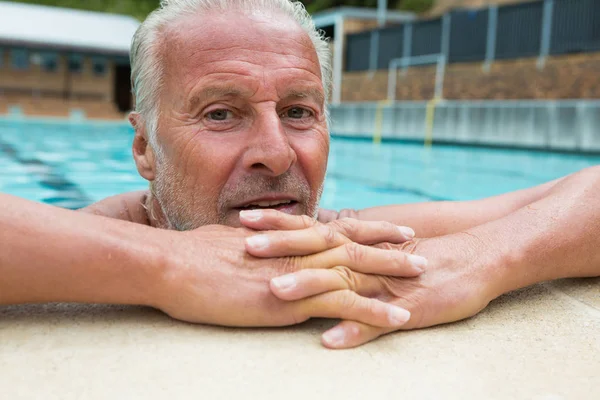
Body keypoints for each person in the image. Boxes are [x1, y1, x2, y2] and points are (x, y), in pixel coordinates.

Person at [1, 0, 599, 350]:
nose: (278, 153)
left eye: (298, 112)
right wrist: (168, 263)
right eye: (221, 113)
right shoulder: (81, 234)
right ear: (145, 149)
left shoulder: (348, 238)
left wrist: (478, 260)